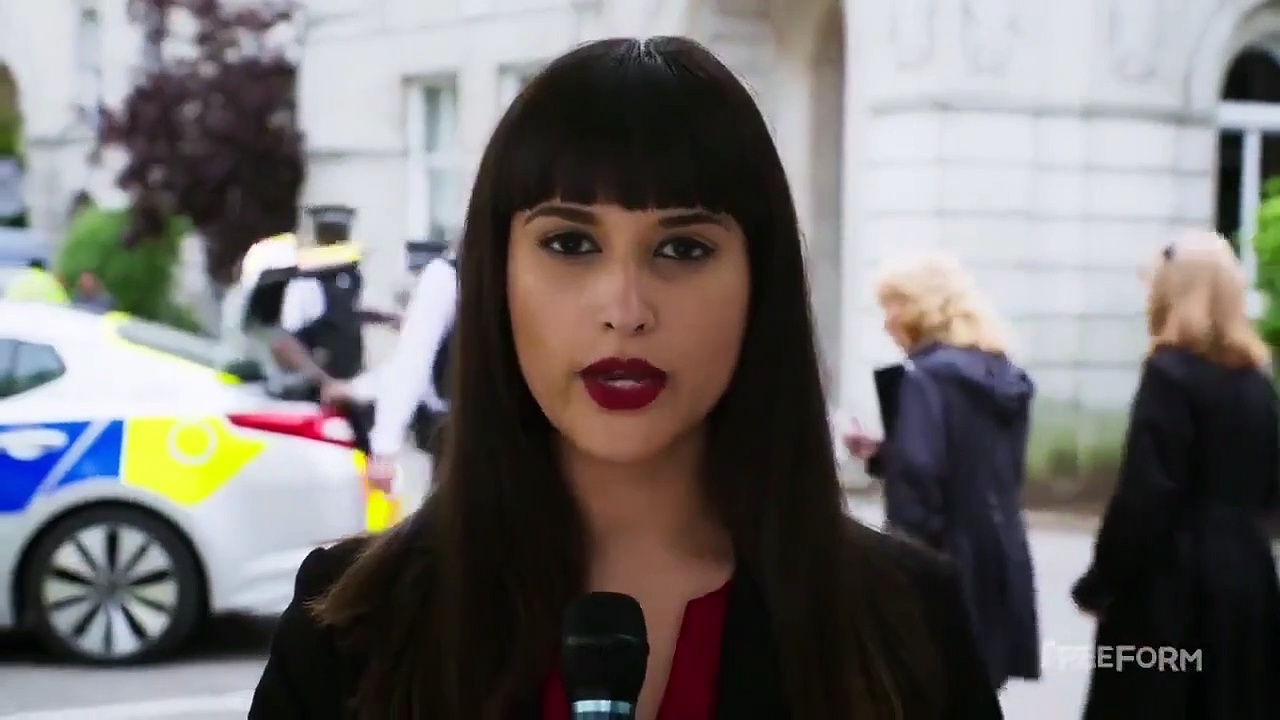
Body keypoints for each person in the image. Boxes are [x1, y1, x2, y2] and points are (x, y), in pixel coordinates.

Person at [250, 37, 1000, 719]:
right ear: (497, 277)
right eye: (571, 243)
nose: (626, 311)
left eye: (683, 249)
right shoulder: (350, 626)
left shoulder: (906, 623)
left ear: (759, 285)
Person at [1071, 233, 1280, 720]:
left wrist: (1102, 581)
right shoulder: (1257, 383)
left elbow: (1146, 494)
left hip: (1171, 588)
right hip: (1248, 578)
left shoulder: (1169, 375)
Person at [843, 252, 1041, 691]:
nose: (886, 321)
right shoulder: (1004, 375)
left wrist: (897, 569)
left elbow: (920, 480)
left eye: (892, 305)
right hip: (1000, 557)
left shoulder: (924, 379)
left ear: (921, 307)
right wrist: (885, 453)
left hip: (943, 562)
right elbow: (976, 463)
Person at [322, 239, 458, 494]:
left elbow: (413, 363)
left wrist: (385, 448)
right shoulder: (515, 273)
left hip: (459, 435)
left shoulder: (447, 276)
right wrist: (358, 389)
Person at [3, 259, 69, 304]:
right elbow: (64, 301)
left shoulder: (18, 280)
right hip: (48, 314)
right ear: (43, 268)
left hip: (20, 313)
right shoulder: (51, 280)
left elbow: (8, 299)